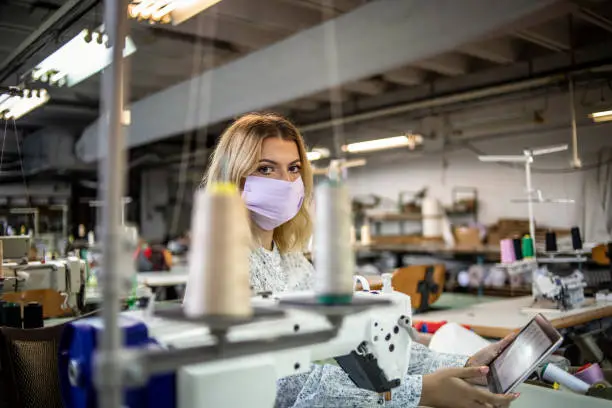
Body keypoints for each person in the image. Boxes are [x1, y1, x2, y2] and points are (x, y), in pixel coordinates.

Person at [202, 112, 519, 408]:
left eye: (294, 168)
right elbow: (281, 383)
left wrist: (461, 365)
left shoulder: (291, 261)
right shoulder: (225, 270)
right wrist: (416, 391)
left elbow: (361, 338)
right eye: (266, 168)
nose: (286, 182)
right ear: (235, 176)